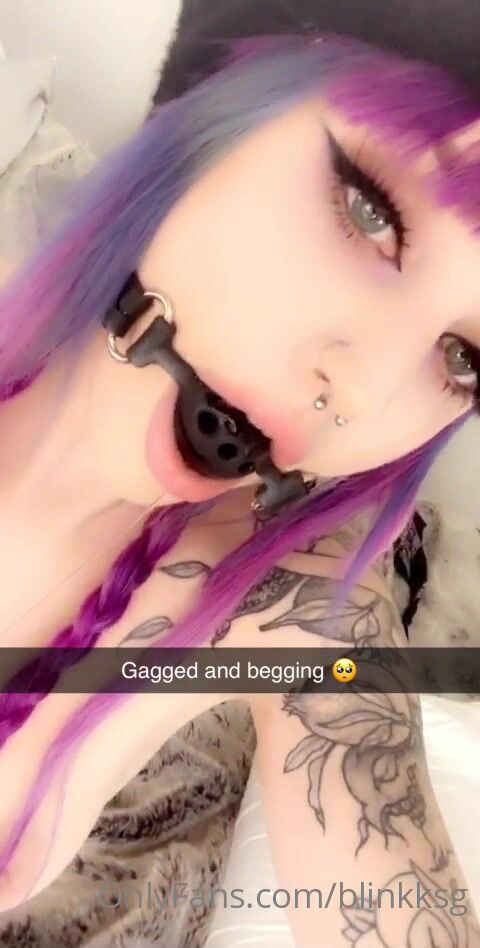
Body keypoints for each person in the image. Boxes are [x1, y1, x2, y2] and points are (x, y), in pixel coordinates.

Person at [0, 15, 479, 948]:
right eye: (371, 213)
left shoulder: (298, 608)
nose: (366, 393)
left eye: (464, 361)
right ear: (218, 108)